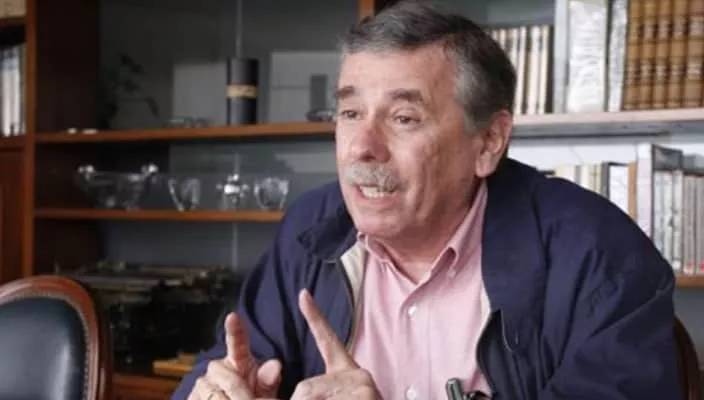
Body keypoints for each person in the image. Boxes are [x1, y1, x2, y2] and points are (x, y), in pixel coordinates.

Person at [173, 1, 682, 399]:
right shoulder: (313, 228)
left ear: (488, 142)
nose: (362, 147)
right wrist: (223, 391)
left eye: (404, 118)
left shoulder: (597, 253)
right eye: (350, 114)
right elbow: (231, 363)